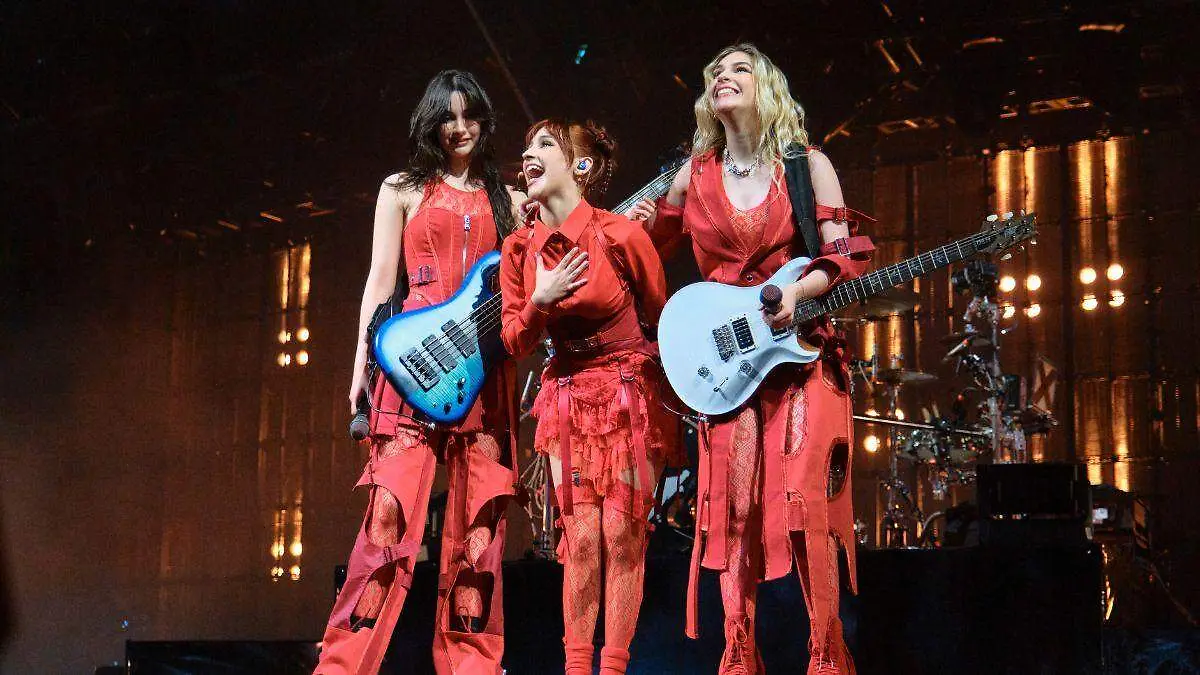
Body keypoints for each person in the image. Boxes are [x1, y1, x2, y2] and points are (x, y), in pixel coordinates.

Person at [630, 44, 874, 675]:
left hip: (799, 359)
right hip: (727, 366)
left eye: (740, 69)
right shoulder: (693, 176)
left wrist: (798, 292)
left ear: (768, 89)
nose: (724, 76)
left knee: (803, 505)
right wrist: (623, 227)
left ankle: (825, 656)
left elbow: (845, 254)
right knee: (731, 512)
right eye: (717, 70)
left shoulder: (807, 165)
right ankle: (738, 656)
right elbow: (637, 256)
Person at [314, 70, 522, 675]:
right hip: (410, 364)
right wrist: (360, 366)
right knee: (388, 517)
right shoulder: (401, 188)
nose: (459, 128)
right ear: (430, 122)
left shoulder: (510, 199)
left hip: (484, 371)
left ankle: (472, 666)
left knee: (478, 533)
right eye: (447, 116)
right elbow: (380, 280)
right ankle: (343, 666)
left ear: (484, 121)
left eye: (470, 115)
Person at [498, 119, 679, 675]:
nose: (528, 155)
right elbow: (514, 340)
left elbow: (663, 318)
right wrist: (541, 300)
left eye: (544, 144)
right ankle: (577, 668)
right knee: (579, 540)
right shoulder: (519, 249)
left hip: (628, 392)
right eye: (526, 147)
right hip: (568, 396)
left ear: (579, 166)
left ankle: (615, 666)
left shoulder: (620, 235)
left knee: (622, 536)